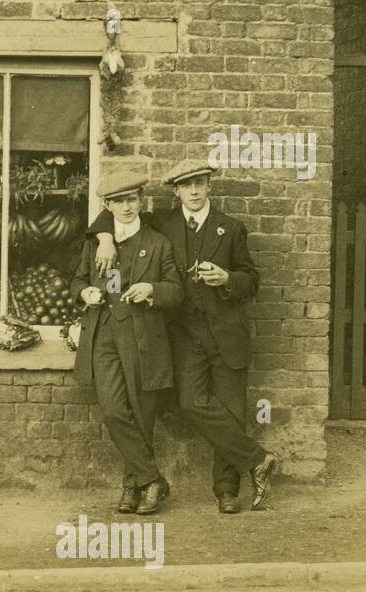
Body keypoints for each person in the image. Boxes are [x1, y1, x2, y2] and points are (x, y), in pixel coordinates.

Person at [89, 161, 281, 513]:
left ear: (210, 187)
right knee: (191, 403)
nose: (194, 191)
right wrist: (103, 238)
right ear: (175, 191)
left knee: (232, 412)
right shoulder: (161, 223)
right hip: (186, 336)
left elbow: (251, 280)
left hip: (227, 335)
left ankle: (226, 491)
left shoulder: (230, 227)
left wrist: (226, 278)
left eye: (200, 183)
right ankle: (258, 459)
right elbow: (115, 213)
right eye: (186, 185)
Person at [70, 171, 184, 515]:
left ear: (141, 201)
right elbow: (77, 281)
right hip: (104, 334)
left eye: (132, 199)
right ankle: (153, 479)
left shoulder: (159, 243)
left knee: (141, 412)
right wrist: (85, 292)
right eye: (119, 201)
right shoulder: (96, 243)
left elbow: (176, 290)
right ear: (108, 206)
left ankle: (133, 488)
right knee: (113, 410)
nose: (127, 206)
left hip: (142, 338)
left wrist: (152, 290)